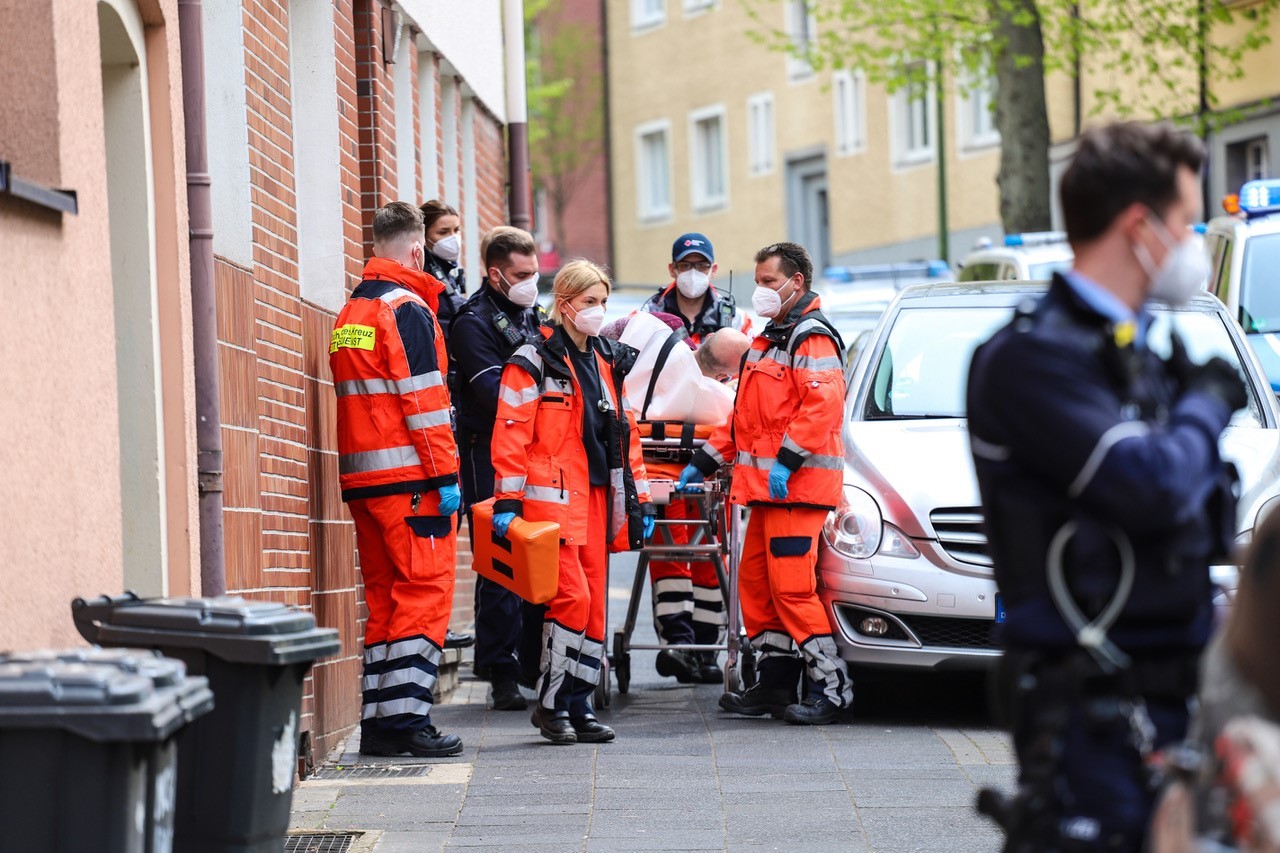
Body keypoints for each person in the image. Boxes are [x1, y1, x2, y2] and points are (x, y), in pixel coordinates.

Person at [966, 122, 1245, 851]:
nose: (1193, 247)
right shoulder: (1030, 358)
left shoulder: (1134, 351)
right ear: (1138, 226)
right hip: (1092, 711)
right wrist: (1204, 409)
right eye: (1186, 223)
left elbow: (1196, 510)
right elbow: (1148, 487)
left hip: (1171, 694)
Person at [678, 241, 854, 725]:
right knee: (756, 587)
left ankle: (831, 689)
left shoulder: (810, 337)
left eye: (769, 282)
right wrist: (705, 460)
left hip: (797, 490)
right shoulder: (766, 338)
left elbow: (822, 408)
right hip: (766, 493)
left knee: (793, 590)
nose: (761, 291)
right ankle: (775, 686)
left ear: (796, 282)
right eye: (757, 282)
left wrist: (787, 461)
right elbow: (745, 419)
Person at [491, 259, 657, 744]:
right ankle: (550, 704)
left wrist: (640, 497)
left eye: (603, 302)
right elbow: (511, 434)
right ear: (564, 305)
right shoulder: (533, 361)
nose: (599, 311)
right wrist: (507, 499)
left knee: (595, 608)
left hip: (596, 496)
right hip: (552, 501)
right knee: (572, 599)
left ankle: (579, 704)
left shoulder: (606, 358)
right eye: (589, 303)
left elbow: (626, 434)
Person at [330, 201, 463, 758]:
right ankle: (407, 720)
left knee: (386, 600)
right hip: (412, 481)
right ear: (416, 249)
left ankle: (381, 723)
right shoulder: (407, 309)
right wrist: (448, 474)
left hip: (365, 484)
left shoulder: (350, 313)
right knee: (425, 594)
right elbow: (425, 405)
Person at [605, 313, 746, 683]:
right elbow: (734, 431)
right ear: (725, 376)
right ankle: (705, 650)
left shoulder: (654, 355)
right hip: (702, 483)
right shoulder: (720, 398)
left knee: (669, 556)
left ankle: (677, 642)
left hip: (654, 479)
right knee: (709, 559)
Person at [450, 227, 546, 712]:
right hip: (486, 450)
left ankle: (532, 661)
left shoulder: (532, 314)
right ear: (494, 274)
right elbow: (495, 393)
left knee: (542, 554)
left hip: (534, 449)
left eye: (534, 273)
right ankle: (500, 669)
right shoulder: (473, 322)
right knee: (502, 559)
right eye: (522, 275)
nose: (531, 283)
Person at [640, 232, 751, 342]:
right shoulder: (648, 315)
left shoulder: (736, 320)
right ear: (672, 270)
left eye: (702, 266)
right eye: (685, 266)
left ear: (713, 270)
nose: (693, 273)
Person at [420, 200, 468, 343]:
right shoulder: (422, 275)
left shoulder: (447, 271)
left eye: (456, 230)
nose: (453, 238)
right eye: (443, 232)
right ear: (423, 235)